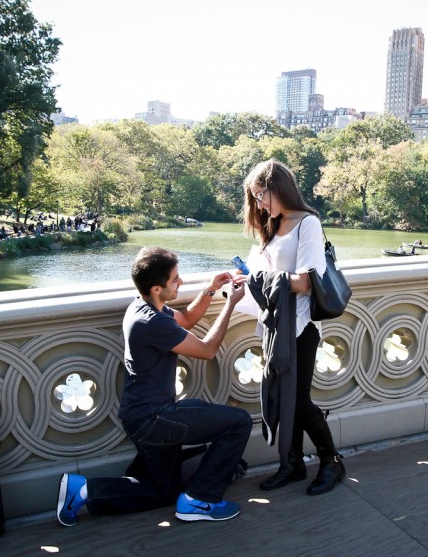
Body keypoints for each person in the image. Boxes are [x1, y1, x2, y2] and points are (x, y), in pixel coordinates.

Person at [57, 247, 252, 526]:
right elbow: (208, 350)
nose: (181, 283)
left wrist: (211, 289)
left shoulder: (144, 306)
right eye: (176, 280)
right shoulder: (151, 321)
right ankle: (200, 499)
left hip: (141, 417)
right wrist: (230, 303)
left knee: (161, 491)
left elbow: (185, 320)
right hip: (155, 419)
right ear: (157, 288)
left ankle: (85, 489)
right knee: (239, 422)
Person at [242, 159, 345, 496]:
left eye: (262, 196)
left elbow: (304, 283)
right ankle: (293, 463)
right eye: (256, 198)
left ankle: (331, 461)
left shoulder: (307, 224)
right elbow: (271, 274)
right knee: (285, 399)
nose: (259, 204)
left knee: (298, 401)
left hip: (300, 327)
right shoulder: (274, 224)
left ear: (279, 189)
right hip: (275, 326)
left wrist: (263, 279)